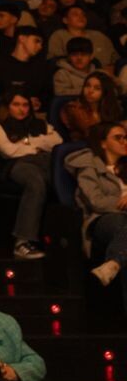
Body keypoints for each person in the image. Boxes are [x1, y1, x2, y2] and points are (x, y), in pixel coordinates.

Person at [0, 88, 61, 260]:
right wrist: (40, 143)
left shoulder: (40, 123)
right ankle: (22, 242)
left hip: (44, 161)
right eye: (16, 105)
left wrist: (28, 143)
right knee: (36, 183)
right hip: (16, 165)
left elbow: (57, 142)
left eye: (25, 105)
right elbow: (9, 151)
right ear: (7, 106)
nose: (22, 109)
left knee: (62, 177)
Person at [68, 123, 127, 288]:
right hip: (103, 219)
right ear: (102, 143)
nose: (124, 142)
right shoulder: (88, 167)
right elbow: (96, 201)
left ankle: (114, 263)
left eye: (126, 137)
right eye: (118, 138)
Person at [59, 69, 121, 141]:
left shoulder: (110, 108)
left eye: (97, 88)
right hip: (83, 147)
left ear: (105, 93)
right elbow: (91, 133)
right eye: (87, 86)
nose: (90, 91)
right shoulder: (73, 108)